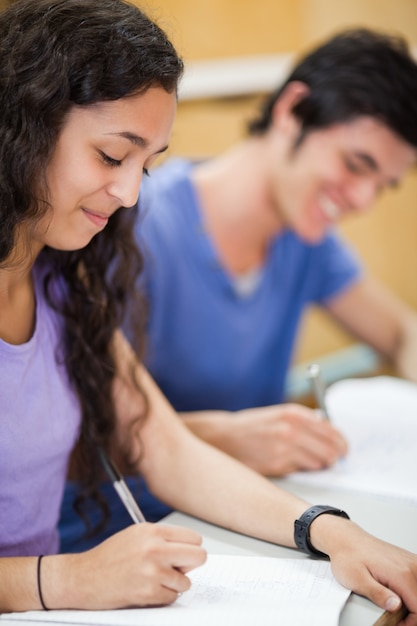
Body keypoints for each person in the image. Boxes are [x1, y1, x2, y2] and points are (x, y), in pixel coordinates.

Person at [2, 1, 417, 619]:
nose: (130, 193)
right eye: (113, 157)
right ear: (24, 127)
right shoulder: (133, 235)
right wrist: (60, 581)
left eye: (147, 164)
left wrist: (331, 530)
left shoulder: (65, 276)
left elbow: (160, 443)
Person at [134, 28, 417, 479]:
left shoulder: (307, 240)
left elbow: (402, 331)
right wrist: (222, 436)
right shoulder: (142, 227)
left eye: (383, 185)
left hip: (243, 514)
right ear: (292, 111)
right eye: (356, 164)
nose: (364, 200)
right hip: (130, 526)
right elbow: (80, 431)